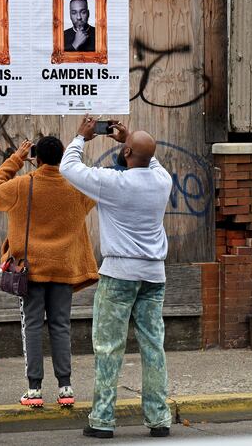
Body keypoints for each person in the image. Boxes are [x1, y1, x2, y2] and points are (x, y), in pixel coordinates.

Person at [59, 115, 173, 439]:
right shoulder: (162, 181)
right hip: (154, 275)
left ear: (126, 156)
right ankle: (159, 418)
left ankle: (103, 419)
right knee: (154, 347)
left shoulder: (113, 183)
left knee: (109, 348)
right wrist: (128, 140)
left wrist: (82, 137)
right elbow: (149, 160)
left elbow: (69, 168)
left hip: (120, 273)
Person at [0, 136, 99, 407]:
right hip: (64, 268)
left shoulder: (24, 184)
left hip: (31, 269)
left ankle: (34, 389)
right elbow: (96, 189)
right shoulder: (77, 187)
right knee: (61, 326)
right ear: (63, 157)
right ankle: (65, 388)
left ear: (36, 157)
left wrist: (16, 159)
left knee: (32, 325)